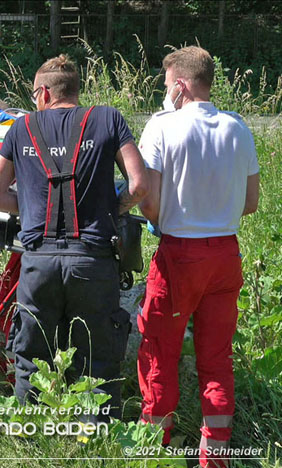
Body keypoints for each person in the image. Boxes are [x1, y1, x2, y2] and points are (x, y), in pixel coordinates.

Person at [0, 54, 149, 417]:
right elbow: (138, 186)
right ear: (75, 90)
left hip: (38, 262)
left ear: (43, 93)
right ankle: (98, 436)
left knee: (31, 357)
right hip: (93, 262)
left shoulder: (21, 128)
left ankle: (33, 434)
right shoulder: (107, 118)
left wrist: (29, 207)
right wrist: (110, 208)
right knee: (98, 358)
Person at [137, 46, 259, 468]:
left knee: (159, 353)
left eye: (168, 84)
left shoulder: (162, 126)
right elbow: (251, 203)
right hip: (225, 254)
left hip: (179, 257)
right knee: (216, 357)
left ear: (181, 85)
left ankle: (155, 449)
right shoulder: (238, 128)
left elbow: (147, 201)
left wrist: (164, 217)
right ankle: (216, 454)